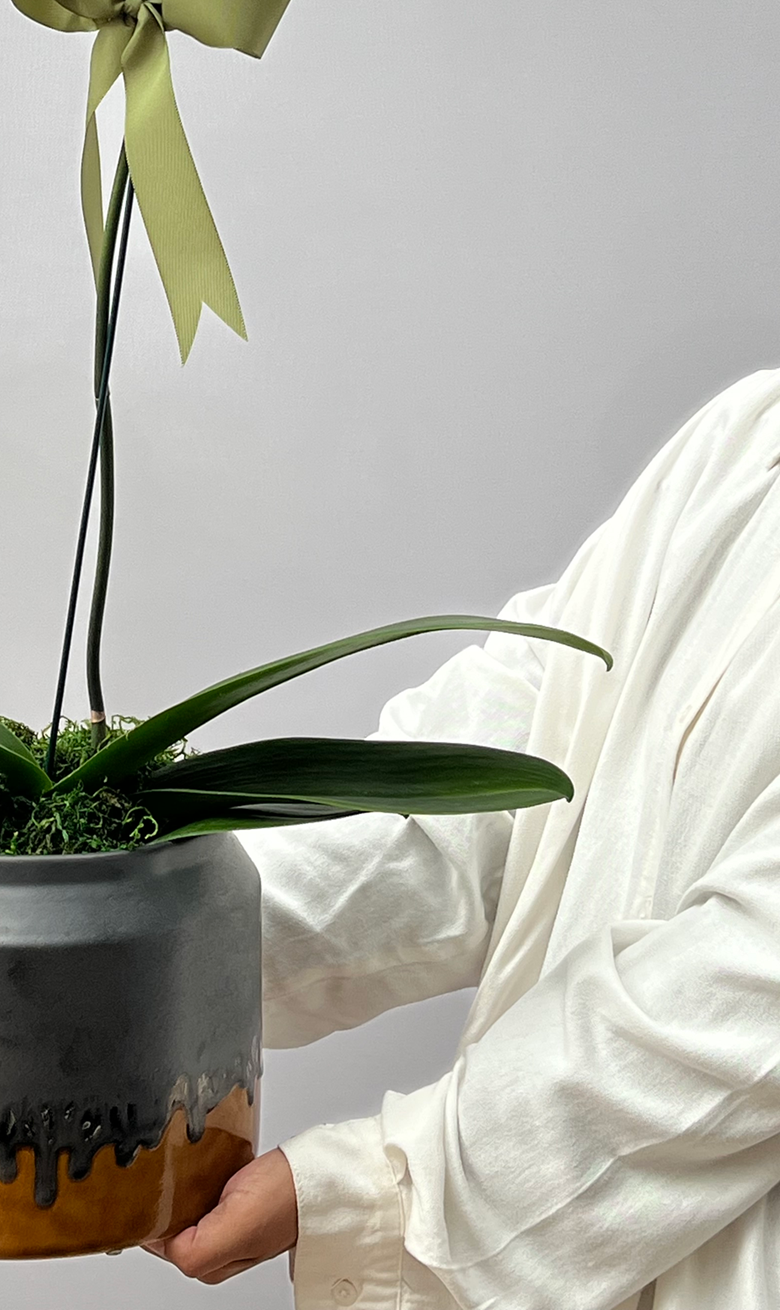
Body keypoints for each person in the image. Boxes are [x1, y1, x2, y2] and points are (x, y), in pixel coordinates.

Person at [145, 369, 780, 1309]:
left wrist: (384, 1191)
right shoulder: (748, 439)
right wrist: (134, 948)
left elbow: (748, 991)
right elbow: (505, 758)